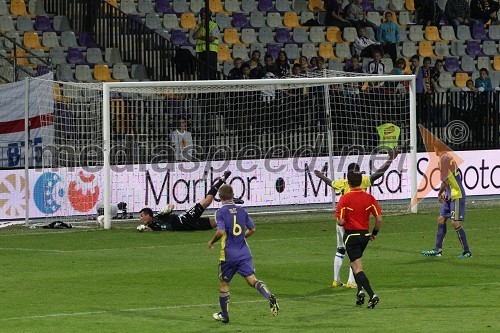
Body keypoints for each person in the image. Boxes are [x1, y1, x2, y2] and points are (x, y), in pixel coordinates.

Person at [314, 148, 397, 288]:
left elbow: (330, 182)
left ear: (348, 174)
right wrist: (390, 160)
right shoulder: (362, 181)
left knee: (340, 249)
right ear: (359, 174)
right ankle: (351, 281)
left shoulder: (341, 182)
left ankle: (336, 280)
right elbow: (378, 174)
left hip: (340, 222)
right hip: (353, 224)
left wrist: (321, 176)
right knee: (355, 252)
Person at [208, 184, 279, 323]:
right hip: (244, 253)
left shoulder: (220, 212)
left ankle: (225, 315)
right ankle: (268, 295)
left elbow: (221, 232)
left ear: (220, 197)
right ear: (233, 195)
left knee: (224, 284)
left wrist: (212, 241)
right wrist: (241, 237)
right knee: (253, 280)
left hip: (228, 255)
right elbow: (252, 229)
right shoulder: (242, 211)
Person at [336, 170, 383, 309]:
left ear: (348, 183)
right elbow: (379, 219)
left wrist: (339, 221)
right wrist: (374, 232)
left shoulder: (345, 199)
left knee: (357, 267)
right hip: (365, 236)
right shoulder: (369, 198)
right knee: (353, 263)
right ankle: (359, 292)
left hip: (351, 236)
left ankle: (372, 295)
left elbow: (341, 221)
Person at [422, 140, 472, 258]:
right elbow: (452, 177)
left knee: (454, 222)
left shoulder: (443, 160)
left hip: (456, 195)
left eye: (433, 148)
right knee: (441, 219)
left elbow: (444, 181)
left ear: (436, 148)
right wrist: (445, 191)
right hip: (450, 194)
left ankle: (467, 251)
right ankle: (437, 250)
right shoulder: (448, 158)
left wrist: (439, 193)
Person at [138, 171, 231, 232]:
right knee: (216, 222)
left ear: (148, 215)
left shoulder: (158, 216)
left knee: (208, 200)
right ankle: (230, 210)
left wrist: (166, 209)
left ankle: (221, 180)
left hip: (185, 218)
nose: (141, 218)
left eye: (142, 216)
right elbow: (149, 230)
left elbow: (171, 206)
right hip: (187, 224)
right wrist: (143, 228)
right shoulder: (152, 226)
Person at [192, 8, 220, 80]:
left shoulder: (213, 25)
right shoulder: (198, 26)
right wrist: (201, 26)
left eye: (205, 15)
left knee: (211, 73)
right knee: (202, 73)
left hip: (211, 52)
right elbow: (194, 36)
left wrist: (200, 37)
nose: (203, 16)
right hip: (201, 53)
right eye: (202, 15)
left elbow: (212, 39)